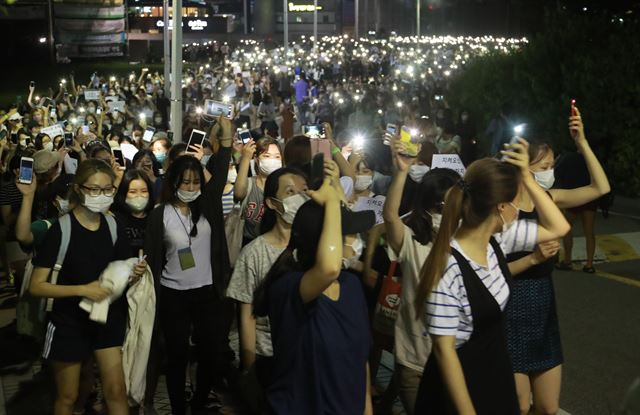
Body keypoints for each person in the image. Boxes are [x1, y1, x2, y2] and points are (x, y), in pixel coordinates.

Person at [413, 140, 570, 415]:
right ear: (501, 207)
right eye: (515, 200)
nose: (520, 208)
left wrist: (528, 179)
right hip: (459, 388)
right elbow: (444, 352)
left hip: (496, 373)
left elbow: (560, 226)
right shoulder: (448, 267)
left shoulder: (498, 240)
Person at [505, 109, 610, 415]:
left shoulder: (550, 199)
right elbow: (488, 269)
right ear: (523, 166)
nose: (550, 171)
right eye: (543, 166)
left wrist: (583, 143)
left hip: (543, 307)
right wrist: (534, 258)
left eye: (551, 165)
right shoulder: (501, 208)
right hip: (510, 309)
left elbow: (600, 188)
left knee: (549, 407)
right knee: (520, 406)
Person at [30, 159, 147, 415]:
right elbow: (37, 286)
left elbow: (121, 268)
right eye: (94, 189)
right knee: (69, 396)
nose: (101, 195)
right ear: (80, 189)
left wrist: (133, 272)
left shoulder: (114, 225)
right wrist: (83, 289)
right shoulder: (61, 230)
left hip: (106, 319)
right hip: (68, 323)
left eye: (107, 190)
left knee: (116, 390)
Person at [253, 178, 375, 415]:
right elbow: (328, 269)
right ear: (325, 240)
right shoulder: (289, 287)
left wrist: (367, 407)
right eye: (347, 234)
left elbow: (361, 360)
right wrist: (331, 203)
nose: (355, 240)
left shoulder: (351, 286)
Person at [143, 117, 233, 415]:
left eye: (196, 182)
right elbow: (155, 257)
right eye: (186, 182)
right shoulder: (160, 215)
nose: (192, 187)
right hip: (173, 294)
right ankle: (179, 408)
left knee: (210, 354)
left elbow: (220, 170)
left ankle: (198, 401)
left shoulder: (208, 208)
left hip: (206, 292)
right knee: (177, 355)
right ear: (174, 183)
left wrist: (226, 135)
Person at [383, 137, 460, 414]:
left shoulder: (470, 242)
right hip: (415, 359)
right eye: (441, 206)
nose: (448, 213)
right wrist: (402, 171)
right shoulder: (412, 242)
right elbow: (391, 217)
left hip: (457, 361)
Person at [226, 167, 308, 412]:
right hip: (267, 356)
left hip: (304, 353)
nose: (299, 198)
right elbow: (247, 314)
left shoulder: (313, 249)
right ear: (272, 203)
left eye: (303, 192)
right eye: (290, 192)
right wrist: (250, 366)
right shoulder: (254, 253)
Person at [234, 137, 283, 246]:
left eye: (277, 157)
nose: (272, 160)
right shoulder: (249, 184)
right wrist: (245, 158)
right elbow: (238, 193)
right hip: (248, 243)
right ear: (256, 159)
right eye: (266, 156)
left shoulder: (284, 188)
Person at [113, 169, 154, 258]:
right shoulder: (116, 219)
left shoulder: (155, 218)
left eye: (144, 191)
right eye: (132, 192)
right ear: (124, 194)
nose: (139, 195)